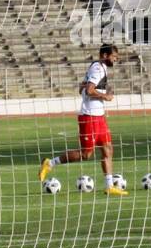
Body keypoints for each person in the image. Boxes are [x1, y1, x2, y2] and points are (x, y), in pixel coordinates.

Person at [39, 44, 128, 196]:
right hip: (89, 117)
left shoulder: (100, 68)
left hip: (99, 117)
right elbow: (89, 90)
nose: (116, 59)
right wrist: (105, 96)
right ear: (105, 55)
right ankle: (50, 163)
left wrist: (99, 90)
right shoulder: (98, 68)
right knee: (86, 154)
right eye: (114, 56)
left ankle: (109, 186)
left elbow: (84, 87)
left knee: (108, 149)